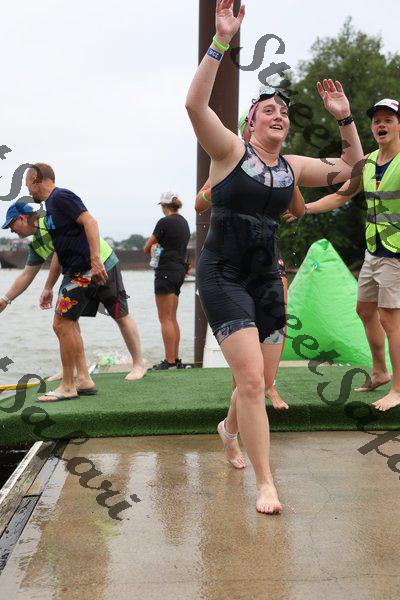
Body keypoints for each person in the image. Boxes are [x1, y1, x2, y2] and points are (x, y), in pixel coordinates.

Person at [185, 0, 364, 514]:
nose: (279, 114)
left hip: (266, 280)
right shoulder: (229, 152)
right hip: (222, 276)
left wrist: (345, 118)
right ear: (249, 124)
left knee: (260, 380)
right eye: (268, 109)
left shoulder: (293, 167)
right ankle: (266, 484)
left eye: (283, 111)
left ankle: (228, 430)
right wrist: (221, 41)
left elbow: (353, 170)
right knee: (251, 381)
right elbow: (195, 106)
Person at [294, 98, 400, 412]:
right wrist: (305, 208)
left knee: (390, 319)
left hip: (396, 253)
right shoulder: (367, 162)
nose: (381, 125)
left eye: (389, 120)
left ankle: (398, 389)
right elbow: (340, 196)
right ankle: (379, 372)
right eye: (377, 121)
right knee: (364, 310)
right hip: (374, 250)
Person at [195, 111, 306, 410]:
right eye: (246, 127)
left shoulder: (281, 169)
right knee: (245, 340)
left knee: (276, 319)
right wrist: (221, 189)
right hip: (231, 257)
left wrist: (290, 182)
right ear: (248, 130)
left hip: (267, 255)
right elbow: (198, 202)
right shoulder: (229, 160)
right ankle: (249, 393)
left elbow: (299, 211)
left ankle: (269, 385)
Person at [144, 192, 191, 370]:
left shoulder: (164, 222)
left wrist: (154, 246)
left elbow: (147, 247)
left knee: (164, 319)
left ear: (164, 206)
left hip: (165, 271)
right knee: (172, 318)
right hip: (179, 271)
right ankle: (175, 358)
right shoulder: (184, 222)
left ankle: (169, 361)